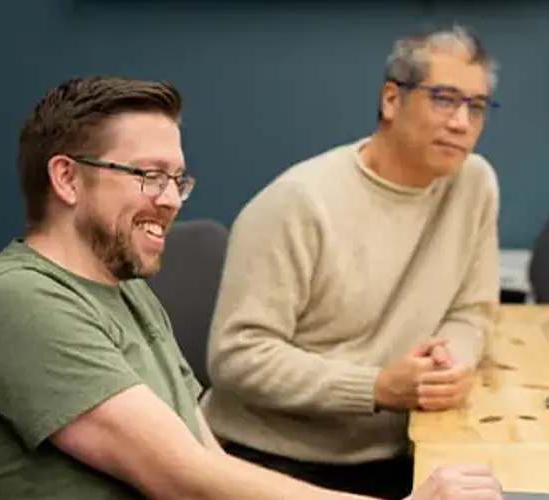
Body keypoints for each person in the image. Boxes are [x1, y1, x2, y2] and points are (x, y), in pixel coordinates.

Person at [0, 75, 503, 500]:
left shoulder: (125, 291)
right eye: (148, 175)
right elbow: (183, 478)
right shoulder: (20, 303)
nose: (170, 200)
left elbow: (205, 453)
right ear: (66, 177)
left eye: (177, 179)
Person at [203, 25, 501, 499]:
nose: (462, 122)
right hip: (275, 464)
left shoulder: (474, 184)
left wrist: (450, 364)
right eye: (444, 99)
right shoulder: (297, 203)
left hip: (405, 450)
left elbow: (471, 310)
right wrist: (377, 387)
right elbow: (237, 356)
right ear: (390, 100)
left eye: (477, 107)